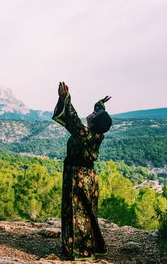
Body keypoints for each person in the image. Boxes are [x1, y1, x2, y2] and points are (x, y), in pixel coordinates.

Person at [52, 82, 112, 260]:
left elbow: (71, 118)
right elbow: (100, 119)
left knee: (75, 210)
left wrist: (64, 98)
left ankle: (77, 250)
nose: (92, 113)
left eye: (94, 114)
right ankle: (92, 246)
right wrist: (100, 106)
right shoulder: (97, 134)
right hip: (89, 178)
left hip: (76, 175)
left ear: (93, 122)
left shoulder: (84, 133)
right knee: (88, 212)